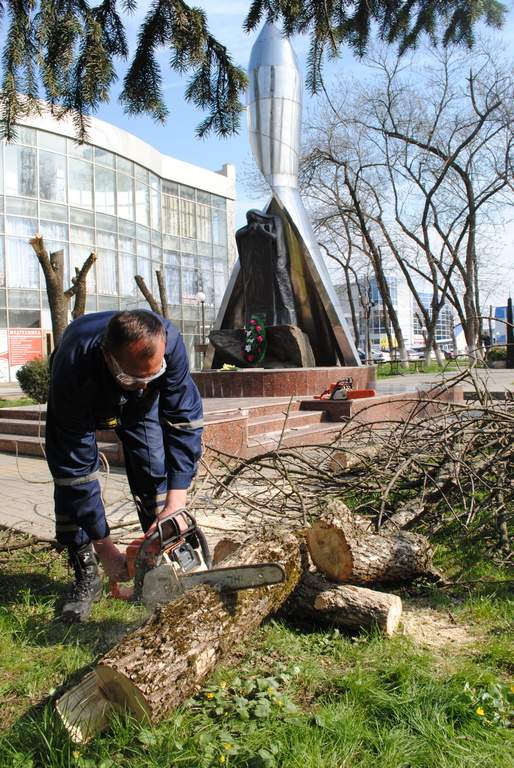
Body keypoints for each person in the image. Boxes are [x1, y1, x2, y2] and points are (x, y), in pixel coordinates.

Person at [45, 309, 203, 623]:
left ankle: (159, 572)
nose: (144, 386)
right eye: (134, 379)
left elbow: (184, 421)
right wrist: (105, 548)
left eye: (153, 377)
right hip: (87, 394)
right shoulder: (73, 367)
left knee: (154, 471)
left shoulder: (168, 345)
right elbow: (75, 468)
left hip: (138, 410)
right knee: (69, 485)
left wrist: (177, 503)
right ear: (108, 356)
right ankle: (86, 575)